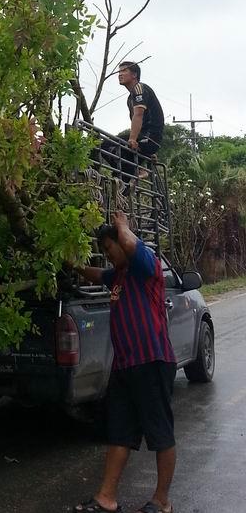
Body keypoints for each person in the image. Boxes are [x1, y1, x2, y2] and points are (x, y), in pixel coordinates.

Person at [71, 211, 177, 513]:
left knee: (160, 432)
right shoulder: (117, 276)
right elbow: (95, 274)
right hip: (125, 366)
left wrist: (122, 225)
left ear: (123, 241)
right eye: (103, 250)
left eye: (109, 247)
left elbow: (131, 244)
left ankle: (162, 501)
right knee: (119, 432)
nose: (106, 254)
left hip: (152, 361)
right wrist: (71, 264)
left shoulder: (145, 265)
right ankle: (106, 497)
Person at [118, 61, 164, 160]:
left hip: (149, 137)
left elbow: (138, 115)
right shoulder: (130, 98)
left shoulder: (139, 88)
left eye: (124, 71)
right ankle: (139, 170)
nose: (120, 74)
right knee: (122, 159)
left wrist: (132, 139)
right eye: (119, 72)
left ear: (134, 75)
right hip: (144, 138)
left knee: (107, 145)